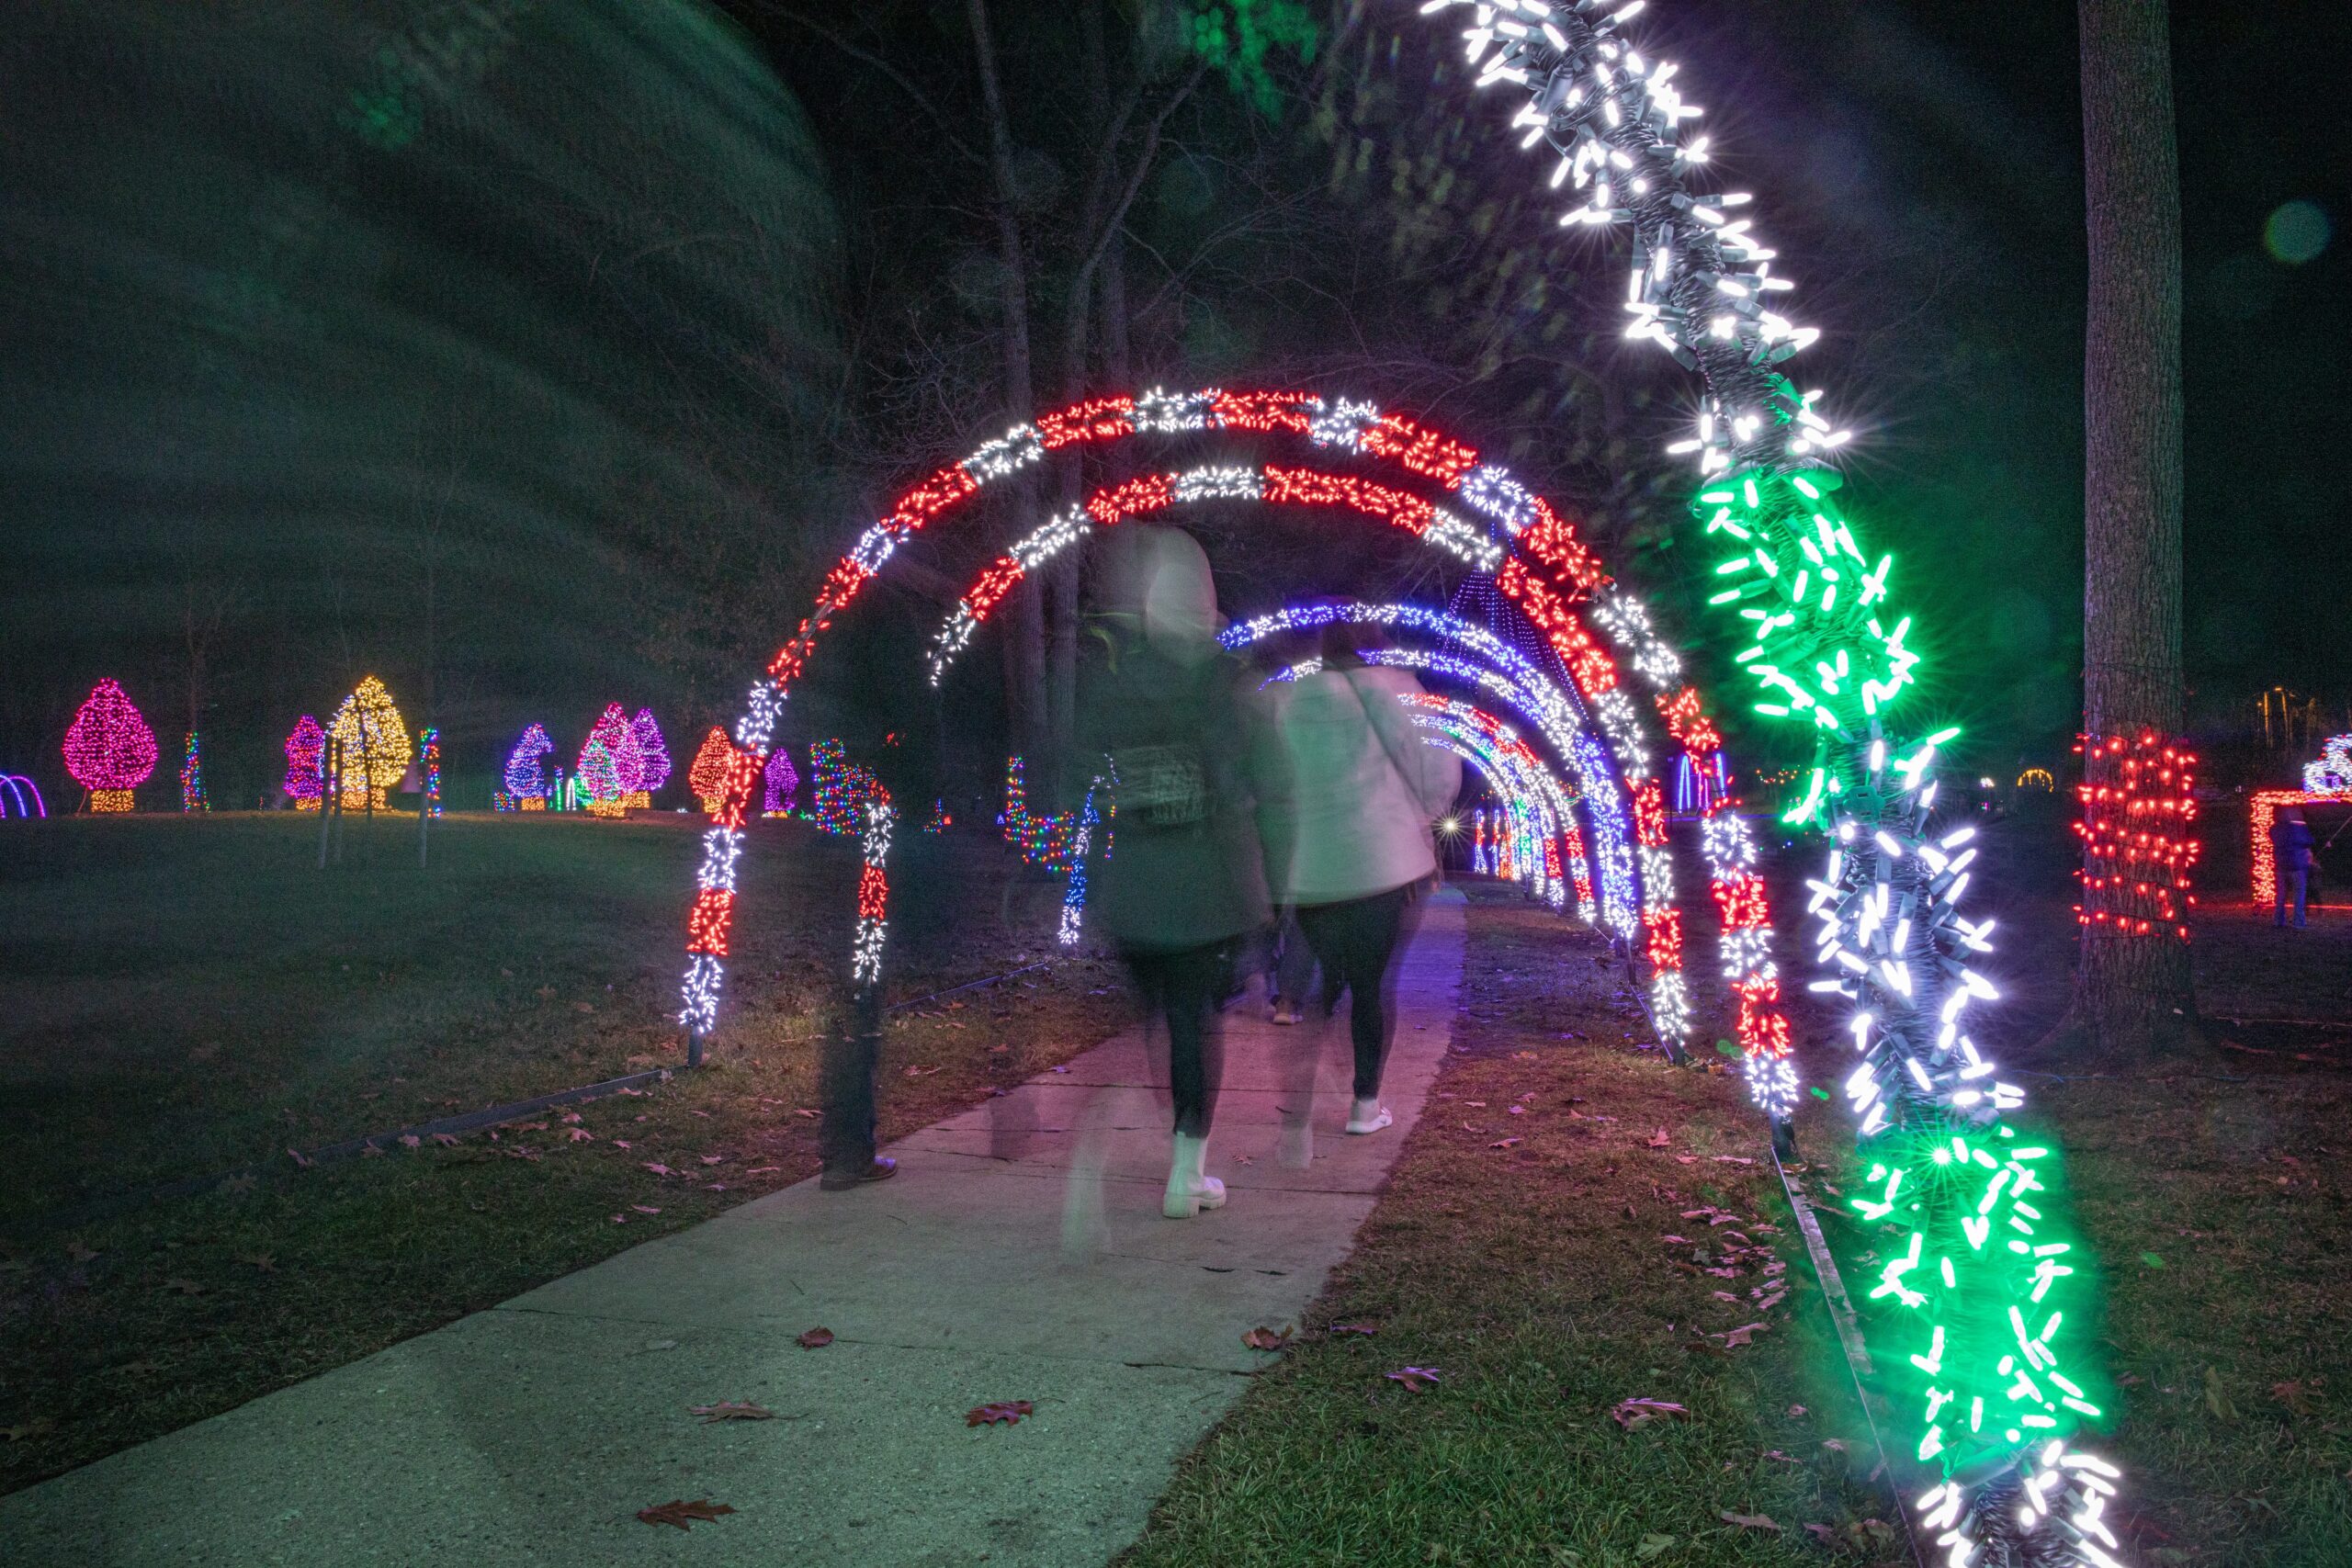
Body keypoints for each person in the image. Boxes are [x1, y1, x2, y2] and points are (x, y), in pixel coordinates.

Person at [1078, 527, 1278, 1219]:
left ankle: (1134, 1114)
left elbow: (1085, 762)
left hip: (1132, 889)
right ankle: (1185, 1170)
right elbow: (1254, 781)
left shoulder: (1115, 680)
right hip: (1202, 891)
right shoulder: (1221, 684)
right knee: (1196, 1026)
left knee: (1161, 1022)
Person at [1264, 616, 1460, 1140]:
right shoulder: (1401, 690)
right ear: (1376, 646)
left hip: (1315, 872)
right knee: (1372, 987)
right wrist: (1426, 815)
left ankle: (1306, 1100)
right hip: (1385, 866)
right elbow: (1439, 771)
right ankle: (1364, 1103)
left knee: (1332, 979)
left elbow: (1272, 778)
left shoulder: (1290, 698)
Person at [2273, 806, 2315, 928]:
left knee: (2280, 894)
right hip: (2297, 864)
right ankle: (2298, 922)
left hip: (2280, 865)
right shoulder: (2298, 828)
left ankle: (2278, 921)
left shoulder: (2274, 829)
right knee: (2299, 893)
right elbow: (2309, 840)